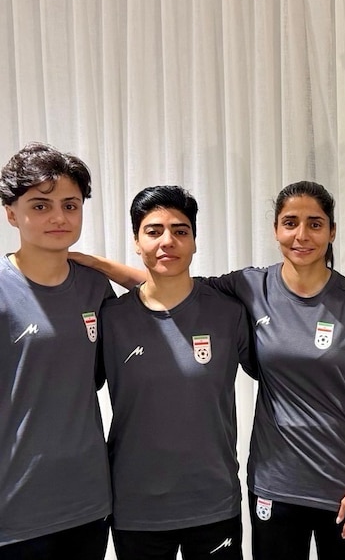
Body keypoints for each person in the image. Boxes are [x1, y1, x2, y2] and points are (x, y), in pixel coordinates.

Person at [74, 180, 345, 560]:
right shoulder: (247, 287)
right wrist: (96, 266)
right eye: (290, 222)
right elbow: (169, 282)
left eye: (315, 223)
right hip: (267, 485)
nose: (302, 235)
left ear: (332, 231)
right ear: (276, 229)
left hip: (337, 483)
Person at [99, 186, 252, 560]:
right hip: (136, 508)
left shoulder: (229, 312)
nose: (168, 241)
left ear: (195, 242)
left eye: (181, 231)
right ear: (136, 242)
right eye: (153, 231)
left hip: (213, 501)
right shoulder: (111, 318)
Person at [0, 143, 113, 560]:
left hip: (87, 503)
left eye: (70, 205)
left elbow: (170, 299)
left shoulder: (94, 288)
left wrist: (105, 265)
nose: (59, 218)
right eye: (41, 206)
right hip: (14, 509)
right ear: (11, 213)